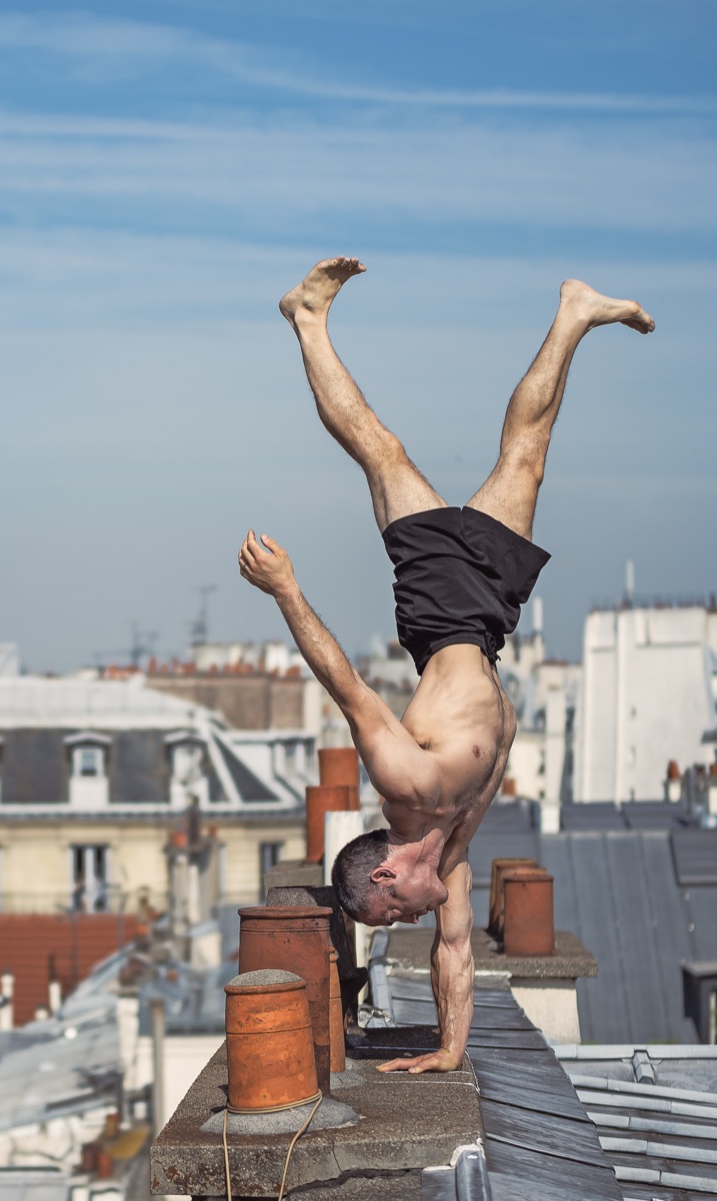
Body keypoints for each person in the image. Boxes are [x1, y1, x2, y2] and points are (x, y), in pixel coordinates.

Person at [238, 256, 653, 1073]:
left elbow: (348, 689)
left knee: (378, 447)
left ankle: (306, 319)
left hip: (441, 606)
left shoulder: (406, 786)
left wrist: (285, 590)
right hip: (488, 618)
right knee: (529, 452)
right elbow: (455, 957)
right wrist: (448, 1050)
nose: (407, 928)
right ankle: (573, 312)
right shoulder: (453, 855)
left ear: (388, 874)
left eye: (388, 919)